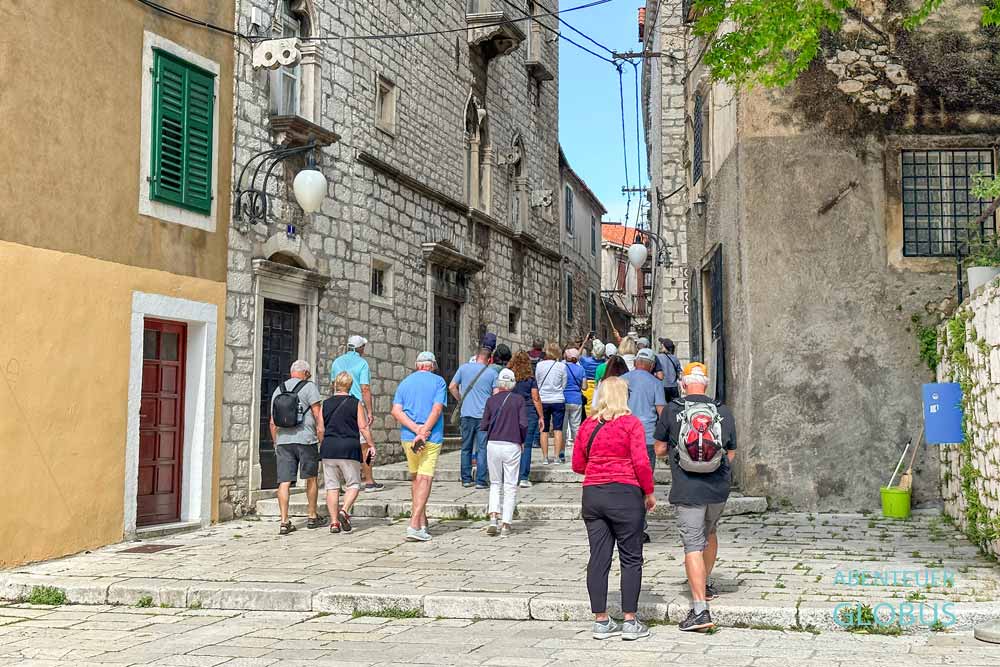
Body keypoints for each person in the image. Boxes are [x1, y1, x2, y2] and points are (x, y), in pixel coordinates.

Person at [653, 362, 737, 632]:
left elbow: (659, 449)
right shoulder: (723, 411)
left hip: (688, 487)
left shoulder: (672, 410)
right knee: (710, 533)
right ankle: (706, 582)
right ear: (706, 383)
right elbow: (731, 453)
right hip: (717, 488)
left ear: (684, 382)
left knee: (692, 543)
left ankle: (700, 610)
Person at [573, 377, 655, 642]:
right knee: (631, 558)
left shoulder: (587, 425)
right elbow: (641, 462)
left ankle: (601, 620)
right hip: (625, 493)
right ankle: (630, 620)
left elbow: (577, 464)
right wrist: (649, 492)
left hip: (593, 494)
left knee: (598, 558)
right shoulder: (631, 424)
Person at [391, 352, 448, 542]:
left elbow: (396, 411)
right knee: (425, 478)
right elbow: (437, 408)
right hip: (431, 437)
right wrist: (424, 431)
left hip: (408, 436)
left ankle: (422, 522)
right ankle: (414, 524)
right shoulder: (439, 382)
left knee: (415, 478)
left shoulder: (405, 383)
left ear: (417, 365)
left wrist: (416, 429)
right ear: (432, 366)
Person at [270, 360, 325, 536]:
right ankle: (311, 516)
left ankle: (284, 521)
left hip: (284, 440)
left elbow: (273, 422)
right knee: (311, 478)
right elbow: (318, 415)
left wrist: (275, 442)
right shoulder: (310, 387)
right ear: (306, 373)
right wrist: (321, 437)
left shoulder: (279, 389)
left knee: (284, 482)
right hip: (306, 440)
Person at [321, 372, 375, 534]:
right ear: (351, 386)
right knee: (353, 484)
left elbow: (320, 428)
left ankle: (334, 523)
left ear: (335, 385)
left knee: (331, 487)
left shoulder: (325, 403)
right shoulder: (355, 403)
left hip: (329, 448)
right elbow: (363, 427)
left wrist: (325, 442)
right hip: (349, 447)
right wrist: (371, 444)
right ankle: (344, 510)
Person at [329, 335, 384, 492]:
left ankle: (338, 484)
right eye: (363, 347)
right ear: (360, 348)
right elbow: (365, 388)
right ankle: (369, 481)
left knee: (339, 442)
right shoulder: (362, 363)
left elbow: (333, 385)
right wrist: (370, 411)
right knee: (364, 445)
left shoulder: (337, 362)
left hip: (338, 407)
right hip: (355, 406)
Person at [480, 368, 527, 536]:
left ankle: (493, 517)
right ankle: (506, 523)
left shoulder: (491, 401)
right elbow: (523, 424)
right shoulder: (519, 400)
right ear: (513, 383)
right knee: (510, 484)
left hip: (493, 443)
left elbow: (484, 425)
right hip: (512, 443)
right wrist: (522, 440)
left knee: (495, 482)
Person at [450, 347, 500, 488]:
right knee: (482, 448)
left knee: (466, 447)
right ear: (489, 359)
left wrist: (461, 399)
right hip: (484, 416)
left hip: (466, 414)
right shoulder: (492, 373)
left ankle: (466, 479)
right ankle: (481, 481)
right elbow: (496, 395)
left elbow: (452, 386)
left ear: (476, 356)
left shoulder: (464, 368)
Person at [622, 349, 667, 471]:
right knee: (645, 471)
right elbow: (661, 411)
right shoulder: (656, 383)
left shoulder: (622, 380)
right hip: (647, 434)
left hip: (625, 432)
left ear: (635, 363)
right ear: (652, 366)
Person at [509, 351, 544, 488]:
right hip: (528, 412)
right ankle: (524, 477)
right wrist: (541, 416)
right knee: (527, 445)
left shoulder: (510, 378)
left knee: (513, 445)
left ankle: (512, 475)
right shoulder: (530, 379)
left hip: (512, 412)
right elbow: (535, 398)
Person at [535, 342, 567, 465]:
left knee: (544, 429)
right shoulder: (561, 366)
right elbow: (564, 384)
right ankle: (557, 457)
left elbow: (537, 382)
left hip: (544, 399)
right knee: (558, 429)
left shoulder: (539, 365)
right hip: (558, 399)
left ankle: (544, 457)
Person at [563, 348, 586, 453]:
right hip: (576, 399)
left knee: (563, 427)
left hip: (564, 398)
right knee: (576, 426)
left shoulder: (562, 367)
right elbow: (584, 386)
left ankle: (561, 451)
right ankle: (577, 451)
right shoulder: (581, 369)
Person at [656, 337, 683, 402]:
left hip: (662, 386)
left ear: (663, 346)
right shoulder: (675, 358)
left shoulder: (657, 357)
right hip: (673, 387)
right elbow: (679, 373)